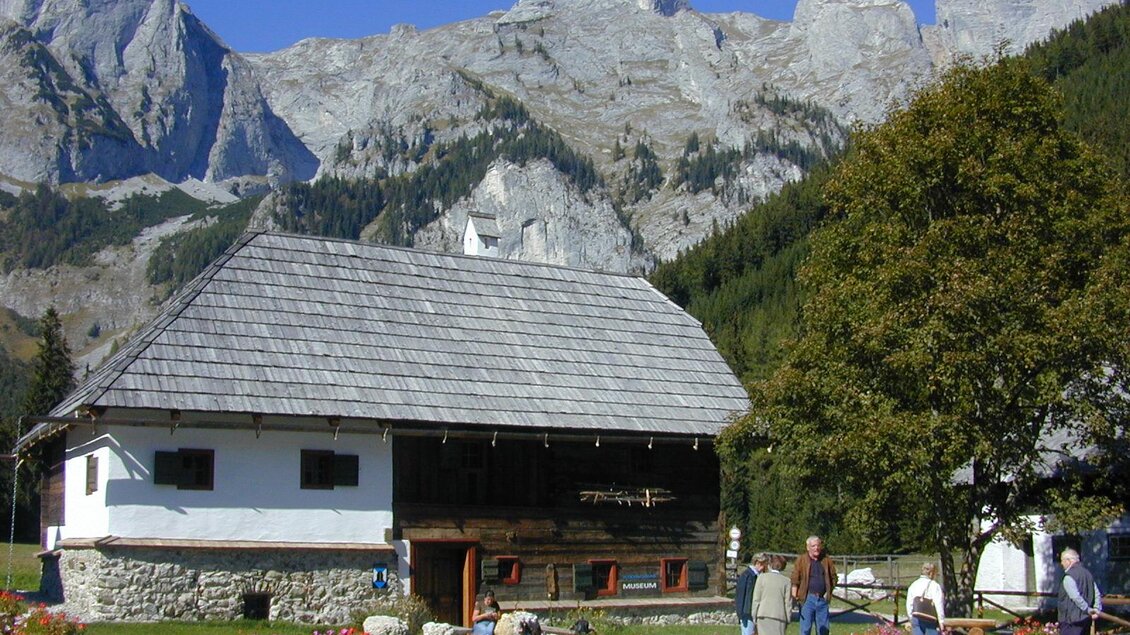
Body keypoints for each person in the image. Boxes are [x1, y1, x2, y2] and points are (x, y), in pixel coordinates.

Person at [790, 535, 837, 635]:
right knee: (805, 629)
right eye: (813, 546)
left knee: (823, 630)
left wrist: (828, 592)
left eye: (818, 545)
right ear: (808, 547)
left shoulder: (826, 560)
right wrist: (795, 596)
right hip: (807, 599)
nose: (816, 548)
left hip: (822, 599)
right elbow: (795, 578)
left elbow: (833, 577)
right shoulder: (801, 560)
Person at [1057, 548, 1101, 635]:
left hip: (1070, 621)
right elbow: (1096, 593)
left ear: (1068, 561)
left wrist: (1087, 609)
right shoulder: (1087, 574)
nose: (1061, 563)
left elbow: (1075, 597)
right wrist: (1097, 609)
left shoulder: (1068, 577)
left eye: (1062, 560)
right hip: (1085, 620)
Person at [752, 554, 792, 635]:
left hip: (763, 614)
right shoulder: (786, 581)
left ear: (770, 565)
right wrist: (788, 618)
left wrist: (754, 615)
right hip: (779, 616)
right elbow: (788, 603)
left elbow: (756, 599)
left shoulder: (762, 578)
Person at [906, 562, 946, 635]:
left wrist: (911, 618)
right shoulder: (935, 586)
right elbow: (939, 604)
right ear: (931, 573)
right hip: (930, 619)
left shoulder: (913, 585)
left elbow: (909, 604)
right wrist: (941, 621)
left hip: (916, 618)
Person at [735, 553, 765, 635]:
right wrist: (740, 613)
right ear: (758, 563)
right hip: (747, 611)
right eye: (763, 565)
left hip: (754, 611)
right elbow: (740, 595)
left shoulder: (757, 576)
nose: (764, 568)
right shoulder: (747, 575)